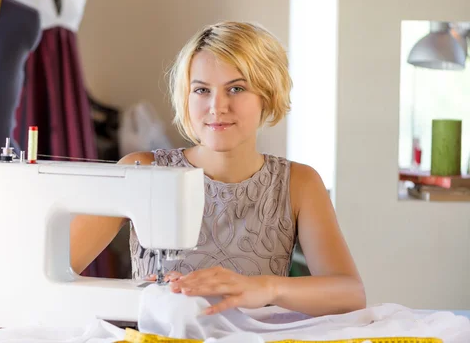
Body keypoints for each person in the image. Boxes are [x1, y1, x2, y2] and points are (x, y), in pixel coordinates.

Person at [69, 21, 366, 317]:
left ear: (268, 95)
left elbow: (350, 294)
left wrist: (267, 288)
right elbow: (52, 272)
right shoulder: (142, 171)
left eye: (236, 88)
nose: (216, 106)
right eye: (201, 90)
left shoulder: (298, 183)